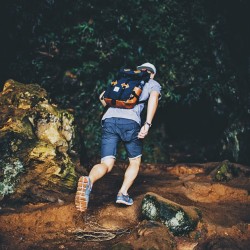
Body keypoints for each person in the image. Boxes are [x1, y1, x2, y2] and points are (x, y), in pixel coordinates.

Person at [75, 62, 161, 212]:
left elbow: (103, 97)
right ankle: (122, 193)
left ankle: (88, 180)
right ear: (152, 73)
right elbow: (153, 99)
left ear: (138, 70)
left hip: (109, 120)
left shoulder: (124, 79)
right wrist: (147, 124)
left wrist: (116, 111)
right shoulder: (152, 82)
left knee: (107, 164)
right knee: (134, 161)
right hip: (131, 123)